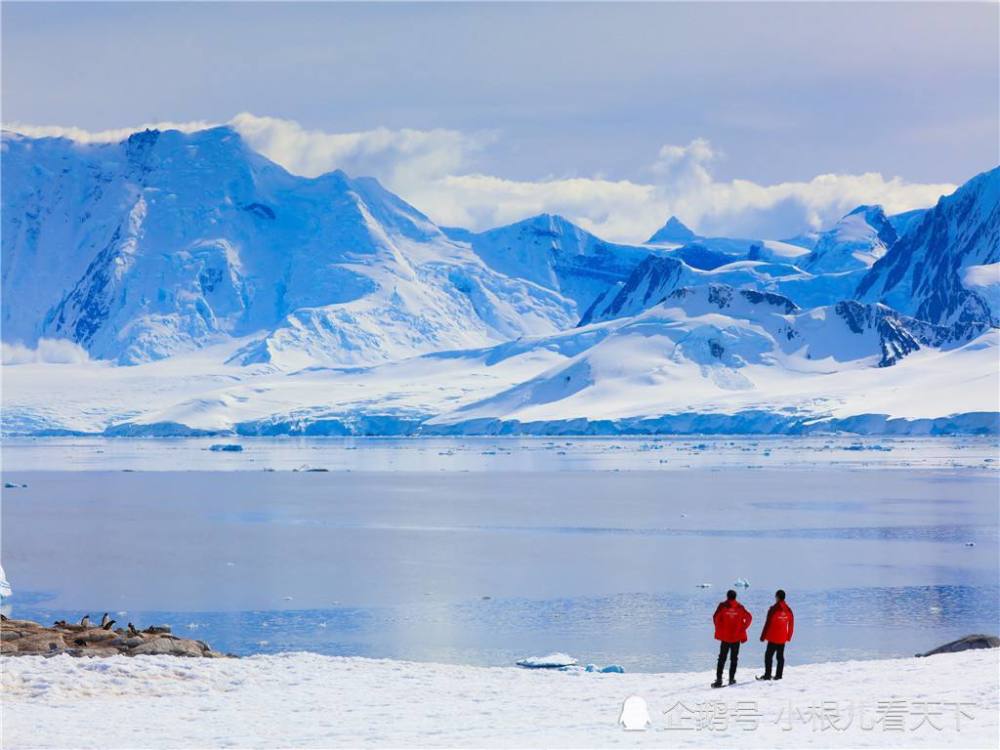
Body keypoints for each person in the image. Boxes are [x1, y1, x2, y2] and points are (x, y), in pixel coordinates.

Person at [711, 589, 752, 687]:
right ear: (735, 597)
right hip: (736, 637)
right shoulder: (740, 607)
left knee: (722, 658)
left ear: (727, 596)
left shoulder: (722, 606)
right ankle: (731, 679)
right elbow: (749, 617)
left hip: (725, 637)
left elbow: (715, 618)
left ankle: (719, 680)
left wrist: (719, 628)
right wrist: (743, 628)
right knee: (734, 658)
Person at [757, 589, 794, 681]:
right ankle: (778, 675)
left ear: (777, 597)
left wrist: (763, 636)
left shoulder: (773, 609)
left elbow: (767, 623)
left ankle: (767, 675)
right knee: (780, 657)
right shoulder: (788, 610)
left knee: (768, 656)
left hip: (773, 637)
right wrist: (789, 636)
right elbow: (791, 624)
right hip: (782, 637)